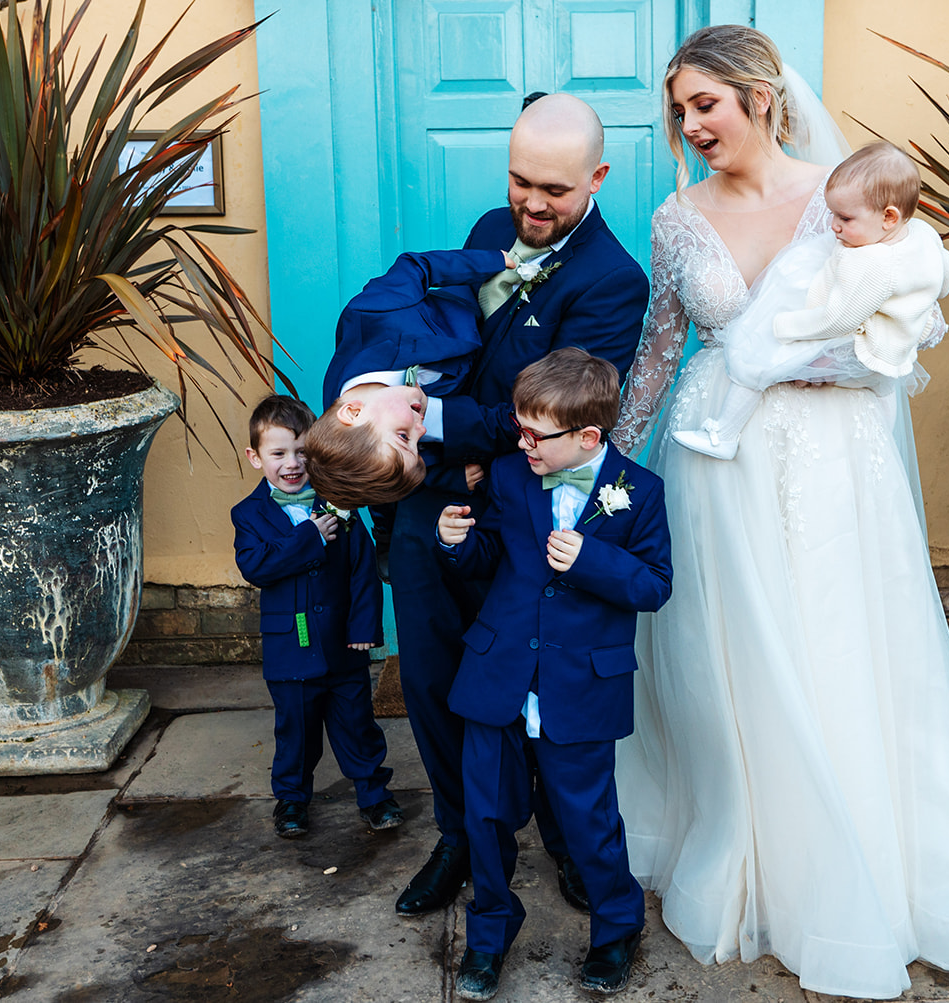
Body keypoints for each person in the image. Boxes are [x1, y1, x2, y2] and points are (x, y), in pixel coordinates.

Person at [613, 25, 949, 1000]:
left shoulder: (841, 195)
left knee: (842, 648)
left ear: (760, 95)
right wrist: (617, 464)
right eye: (679, 110)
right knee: (736, 661)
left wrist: (819, 359)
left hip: (838, 457)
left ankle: (864, 866)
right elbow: (656, 347)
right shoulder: (678, 217)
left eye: (705, 104)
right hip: (717, 462)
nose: (690, 125)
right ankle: (755, 848)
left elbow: (907, 333)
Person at [387, 93, 652, 921]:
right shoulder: (482, 231)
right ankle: (459, 835)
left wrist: (438, 424)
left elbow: (567, 417)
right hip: (429, 496)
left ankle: (569, 842)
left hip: (525, 517)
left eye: (555, 191)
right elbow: (443, 344)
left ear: (597, 178)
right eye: (519, 181)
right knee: (431, 678)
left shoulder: (614, 283)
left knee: (537, 684)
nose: (532, 204)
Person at [436, 348, 673, 1000]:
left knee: (586, 822)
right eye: (519, 426)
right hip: (498, 672)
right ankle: (488, 934)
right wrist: (457, 543)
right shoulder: (511, 477)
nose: (522, 441)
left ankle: (616, 926)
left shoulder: (641, 492)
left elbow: (655, 584)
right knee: (484, 815)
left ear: (588, 437)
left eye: (537, 433)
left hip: (581, 686)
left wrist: (592, 559)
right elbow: (492, 551)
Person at [672, 141, 949, 459]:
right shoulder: (922, 234)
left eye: (845, 219)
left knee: (758, 358)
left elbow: (839, 318)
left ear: (889, 217)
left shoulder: (869, 262)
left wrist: (784, 325)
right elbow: (945, 275)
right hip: (889, 356)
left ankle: (724, 433)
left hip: (862, 348)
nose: (833, 225)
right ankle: (881, 449)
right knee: (883, 388)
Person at [231, 395, 402, 839]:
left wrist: (365, 627)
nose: (292, 464)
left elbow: (362, 570)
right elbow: (257, 567)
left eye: (302, 452)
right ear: (256, 458)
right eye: (279, 453)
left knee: (357, 725)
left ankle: (373, 793)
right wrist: (309, 536)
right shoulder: (250, 515)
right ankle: (291, 799)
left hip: (343, 645)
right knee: (296, 734)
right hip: (291, 651)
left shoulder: (340, 504)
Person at [302, 246, 514, 511]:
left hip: (469, 306)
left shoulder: (371, 315)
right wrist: (449, 476)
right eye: (416, 444)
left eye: (404, 437)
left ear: (354, 412)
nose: (421, 432)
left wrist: (490, 259)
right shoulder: (379, 430)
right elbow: (412, 464)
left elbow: (417, 266)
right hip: (487, 376)